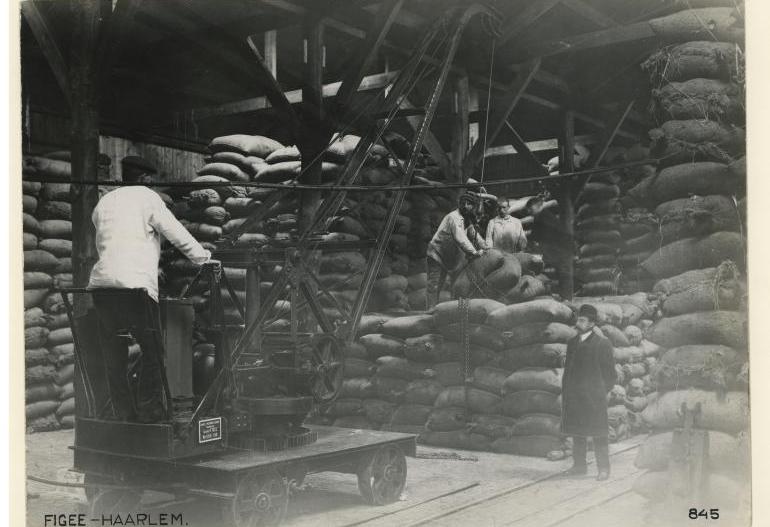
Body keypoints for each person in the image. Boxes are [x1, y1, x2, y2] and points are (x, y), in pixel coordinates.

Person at [88, 156, 216, 422]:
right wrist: (204, 257)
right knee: (154, 353)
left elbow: (108, 241)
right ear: (146, 179)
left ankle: (122, 418)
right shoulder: (148, 198)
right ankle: (150, 415)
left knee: (114, 357)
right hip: (136, 289)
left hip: (102, 288)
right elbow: (175, 232)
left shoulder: (104, 202)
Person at [561, 304, 616, 480]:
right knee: (578, 433)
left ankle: (604, 469)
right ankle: (579, 466)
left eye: (583, 320)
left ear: (592, 324)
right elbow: (568, 370)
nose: (579, 323)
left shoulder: (602, 344)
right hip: (575, 397)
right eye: (578, 319)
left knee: (599, 433)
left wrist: (599, 391)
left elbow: (611, 375)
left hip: (594, 398)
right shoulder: (572, 343)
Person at [425, 193, 485, 309]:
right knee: (435, 284)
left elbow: (475, 236)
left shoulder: (467, 220)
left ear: (473, 207)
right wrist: (474, 252)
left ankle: (451, 311)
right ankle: (430, 311)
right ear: (459, 204)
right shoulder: (454, 217)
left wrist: (486, 247)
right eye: (464, 203)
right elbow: (460, 238)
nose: (466, 206)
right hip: (437, 254)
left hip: (450, 257)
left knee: (456, 285)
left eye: (469, 204)